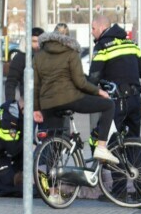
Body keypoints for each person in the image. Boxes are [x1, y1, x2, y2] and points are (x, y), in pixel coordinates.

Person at [32, 30, 118, 165]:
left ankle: (52, 184)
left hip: (48, 104)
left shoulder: (38, 56)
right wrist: (99, 92)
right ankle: (101, 147)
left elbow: (35, 84)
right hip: (70, 99)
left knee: (53, 141)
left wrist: (36, 109)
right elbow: (80, 82)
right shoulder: (71, 52)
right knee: (109, 105)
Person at [88, 19, 141, 141]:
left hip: (116, 102)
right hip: (134, 100)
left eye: (93, 29)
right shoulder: (131, 44)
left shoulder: (102, 46)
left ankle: (105, 159)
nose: (91, 32)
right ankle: (136, 159)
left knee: (100, 139)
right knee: (133, 140)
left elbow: (94, 76)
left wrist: (86, 95)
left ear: (102, 28)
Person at [4, 27, 44, 103]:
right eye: (34, 41)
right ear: (28, 41)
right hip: (28, 103)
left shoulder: (48, 56)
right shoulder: (20, 58)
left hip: (47, 103)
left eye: (40, 41)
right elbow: (11, 82)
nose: (37, 45)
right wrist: (10, 103)